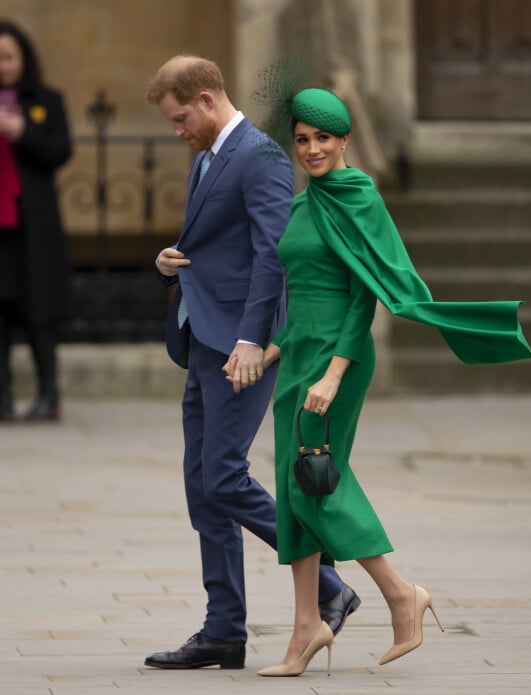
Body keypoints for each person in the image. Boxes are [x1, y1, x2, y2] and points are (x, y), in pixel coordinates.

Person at [226, 88, 531, 677]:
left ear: (344, 139)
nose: (312, 149)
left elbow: (363, 294)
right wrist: (268, 353)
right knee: (296, 488)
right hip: (297, 359)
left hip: (337, 359)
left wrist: (334, 374)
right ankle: (305, 628)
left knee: (315, 483)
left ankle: (399, 594)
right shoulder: (302, 204)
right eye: (302, 140)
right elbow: (301, 302)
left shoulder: (359, 196)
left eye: (323, 138)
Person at [143, 56, 360, 671]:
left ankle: (332, 589)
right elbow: (222, 246)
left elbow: (272, 256)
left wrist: (249, 341)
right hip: (203, 340)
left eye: (181, 118)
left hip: (240, 348)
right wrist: (170, 265)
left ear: (209, 100)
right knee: (202, 487)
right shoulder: (212, 153)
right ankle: (223, 630)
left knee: (223, 478)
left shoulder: (260, 157)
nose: (177, 131)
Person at [0, 20, 72, 422]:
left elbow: (60, 151)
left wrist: (22, 131)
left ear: (23, 58)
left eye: (8, 57)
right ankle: (3, 399)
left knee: (38, 312)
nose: (3, 65)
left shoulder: (46, 99)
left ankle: (49, 396)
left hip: (32, 227)